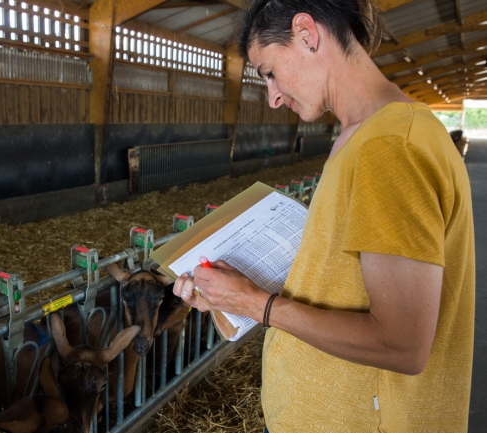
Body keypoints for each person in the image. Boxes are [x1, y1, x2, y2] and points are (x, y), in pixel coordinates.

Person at [174, 0, 475, 431]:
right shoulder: (362, 137)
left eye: (270, 72)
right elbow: (344, 281)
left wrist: (255, 303)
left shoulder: (389, 147)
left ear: (306, 34)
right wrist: (230, 294)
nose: (274, 98)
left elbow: (402, 344)